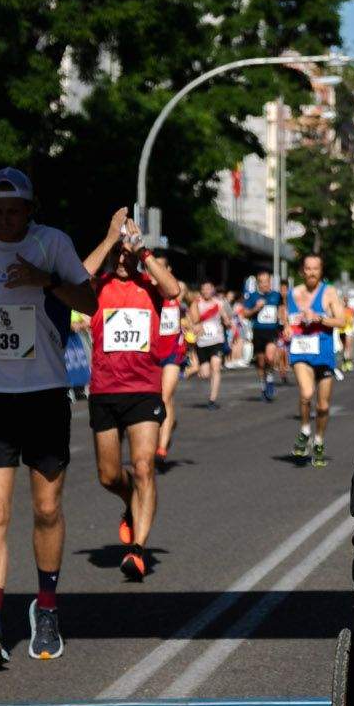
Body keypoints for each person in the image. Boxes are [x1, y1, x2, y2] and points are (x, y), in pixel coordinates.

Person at [0, 167, 96, 667]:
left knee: (46, 510)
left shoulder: (53, 244)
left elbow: (90, 301)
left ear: (30, 209)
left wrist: (44, 281)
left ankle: (45, 609)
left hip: (46, 395)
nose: (5, 220)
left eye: (14, 211)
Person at [81, 207, 180, 582]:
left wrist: (143, 250)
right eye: (118, 253)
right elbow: (77, 274)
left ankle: (137, 550)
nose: (123, 258)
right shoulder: (98, 287)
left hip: (142, 390)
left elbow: (173, 289)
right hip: (106, 391)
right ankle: (129, 503)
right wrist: (110, 238)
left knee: (143, 468)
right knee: (109, 476)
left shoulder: (150, 287)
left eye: (128, 253)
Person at [285, 252, 347, 468]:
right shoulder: (292, 294)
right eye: (308, 268)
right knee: (306, 393)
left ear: (321, 271)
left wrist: (319, 317)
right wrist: (285, 330)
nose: (311, 272)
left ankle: (318, 440)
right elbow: (287, 320)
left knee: (322, 406)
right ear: (302, 270)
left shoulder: (329, 293)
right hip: (300, 351)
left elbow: (342, 320)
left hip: (324, 353)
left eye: (315, 268)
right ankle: (304, 429)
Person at [240, 270, 286, 401]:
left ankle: (270, 379)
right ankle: (263, 387)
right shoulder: (252, 296)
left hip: (272, 331)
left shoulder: (276, 295)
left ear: (270, 282)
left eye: (267, 281)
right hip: (258, 332)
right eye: (262, 282)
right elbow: (245, 314)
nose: (265, 284)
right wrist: (255, 308)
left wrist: (283, 320)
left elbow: (283, 308)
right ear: (258, 283)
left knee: (270, 358)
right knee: (260, 362)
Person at [154, 282, 187, 460]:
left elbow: (193, 315)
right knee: (157, 398)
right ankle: (168, 422)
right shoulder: (148, 295)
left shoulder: (176, 294)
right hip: (152, 353)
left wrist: (193, 326)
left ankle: (162, 446)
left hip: (173, 354)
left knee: (165, 396)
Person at [188, 280, 229, 409]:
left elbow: (225, 318)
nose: (206, 291)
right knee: (205, 373)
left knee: (216, 367)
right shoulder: (197, 304)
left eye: (208, 288)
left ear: (213, 290)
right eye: (204, 289)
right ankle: (200, 371)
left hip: (216, 340)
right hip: (202, 342)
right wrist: (194, 328)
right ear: (201, 290)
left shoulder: (218, 303)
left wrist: (227, 322)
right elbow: (191, 321)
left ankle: (212, 399)